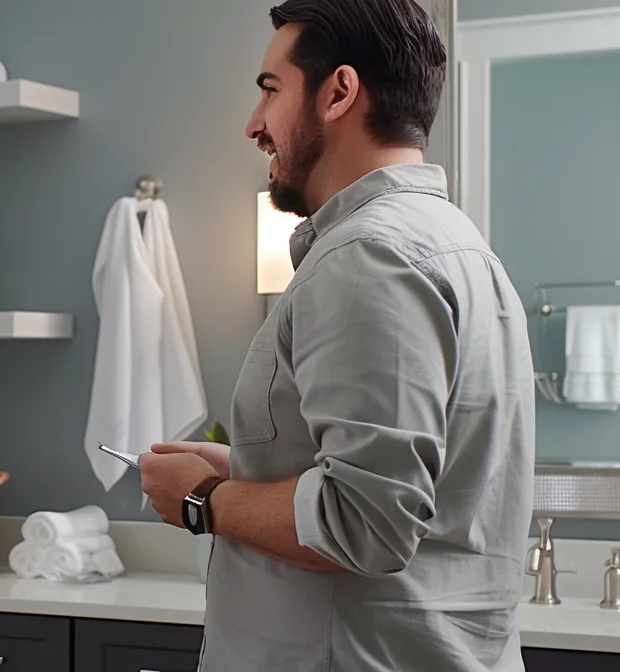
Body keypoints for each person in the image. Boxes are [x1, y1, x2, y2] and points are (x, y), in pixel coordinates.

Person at [136, 1, 536, 670]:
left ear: (339, 92)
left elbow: (368, 522)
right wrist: (249, 473)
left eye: (269, 90)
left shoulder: (367, 258)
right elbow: (420, 493)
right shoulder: (459, 248)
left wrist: (203, 500)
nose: (253, 125)